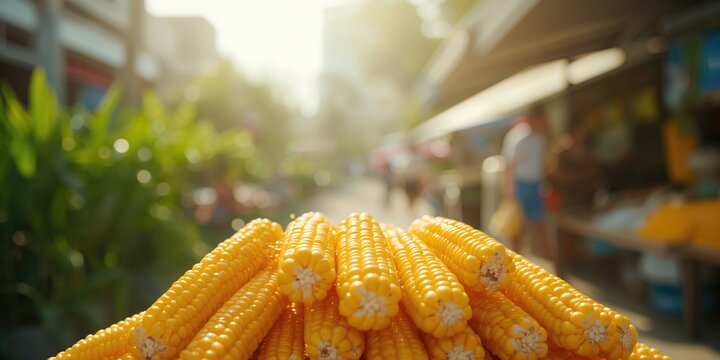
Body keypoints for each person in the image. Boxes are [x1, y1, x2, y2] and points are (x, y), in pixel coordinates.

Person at [502, 107, 553, 260]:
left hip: (536, 185)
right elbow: (510, 165)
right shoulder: (517, 137)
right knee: (518, 230)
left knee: (540, 227)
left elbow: (542, 164)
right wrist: (509, 191)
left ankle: (551, 265)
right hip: (520, 185)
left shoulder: (541, 138)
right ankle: (515, 263)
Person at [547, 122, 604, 209]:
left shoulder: (589, 153)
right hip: (571, 204)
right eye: (577, 132)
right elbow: (556, 174)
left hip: (591, 201)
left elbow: (596, 172)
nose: (580, 136)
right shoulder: (561, 155)